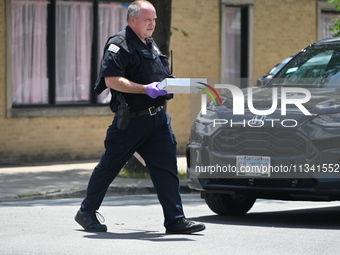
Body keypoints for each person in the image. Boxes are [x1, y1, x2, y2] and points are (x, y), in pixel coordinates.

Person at [75, 0, 205, 234]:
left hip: (157, 120)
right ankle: (86, 211)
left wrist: (174, 84)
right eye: (148, 19)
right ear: (132, 20)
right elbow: (112, 80)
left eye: (154, 19)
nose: (153, 23)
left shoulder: (151, 45)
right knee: (109, 166)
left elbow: (157, 74)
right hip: (131, 121)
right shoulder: (119, 44)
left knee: (166, 168)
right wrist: (146, 89)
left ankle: (175, 220)